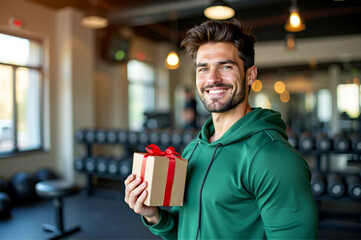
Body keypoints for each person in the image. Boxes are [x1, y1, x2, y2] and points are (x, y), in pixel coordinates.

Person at [124, 19, 318, 239]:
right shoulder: (193, 149)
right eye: (203, 69)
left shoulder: (273, 158)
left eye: (226, 66)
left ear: (250, 75)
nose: (212, 79)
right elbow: (186, 230)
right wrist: (154, 216)